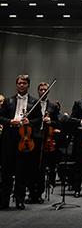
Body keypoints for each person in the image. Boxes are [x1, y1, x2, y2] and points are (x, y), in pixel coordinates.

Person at [0, 74, 42, 210]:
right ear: (16, 84)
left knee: (21, 171)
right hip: (10, 137)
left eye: (24, 83)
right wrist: (10, 121)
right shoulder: (8, 101)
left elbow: (39, 119)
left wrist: (30, 121)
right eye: (19, 83)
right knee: (6, 171)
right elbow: (1, 117)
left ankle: (19, 200)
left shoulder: (34, 102)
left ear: (28, 85)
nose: (21, 85)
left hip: (25, 139)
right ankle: (4, 200)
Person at [26, 81, 61, 203]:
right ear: (38, 91)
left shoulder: (53, 106)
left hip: (46, 139)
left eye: (45, 90)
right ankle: (31, 193)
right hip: (32, 138)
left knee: (42, 168)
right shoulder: (32, 104)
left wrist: (50, 121)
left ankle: (39, 193)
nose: (42, 91)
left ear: (48, 91)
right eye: (40, 89)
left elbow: (58, 123)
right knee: (31, 167)